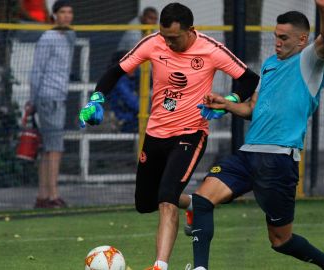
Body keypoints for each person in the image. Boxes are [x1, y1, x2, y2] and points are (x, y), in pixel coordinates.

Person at [78, 3, 259, 269]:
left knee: (166, 199)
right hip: (155, 134)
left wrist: (228, 100)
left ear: (190, 30)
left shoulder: (210, 49)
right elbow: (116, 70)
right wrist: (95, 100)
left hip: (190, 133)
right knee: (145, 203)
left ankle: (160, 265)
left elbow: (249, 79)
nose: (169, 43)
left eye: (174, 38)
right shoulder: (153, 43)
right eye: (165, 37)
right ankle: (195, 205)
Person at [185, 1, 324, 269]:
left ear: (302, 39)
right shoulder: (269, 65)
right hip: (248, 155)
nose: (277, 43)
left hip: (279, 160)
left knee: (281, 241)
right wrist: (226, 104)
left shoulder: (309, 62)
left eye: (283, 38)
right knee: (201, 200)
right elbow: (252, 109)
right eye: (275, 36)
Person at [26, 0, 75, 208]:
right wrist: (33, 100)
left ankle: (43, 196)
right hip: (48, 97)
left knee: (49, 148)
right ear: (54, 15)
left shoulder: (70, 37)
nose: (66, 16)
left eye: (69, 12)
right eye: (62, 12)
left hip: (59, 96)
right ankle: (53, 195)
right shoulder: (48, 37)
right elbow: (37, 70)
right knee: (54, 148)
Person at [108, 51, 140, 133]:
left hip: (131, 118)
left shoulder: (132, 79)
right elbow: (135, 104)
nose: (135, 66)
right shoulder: (119, 81)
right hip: (121, 120)